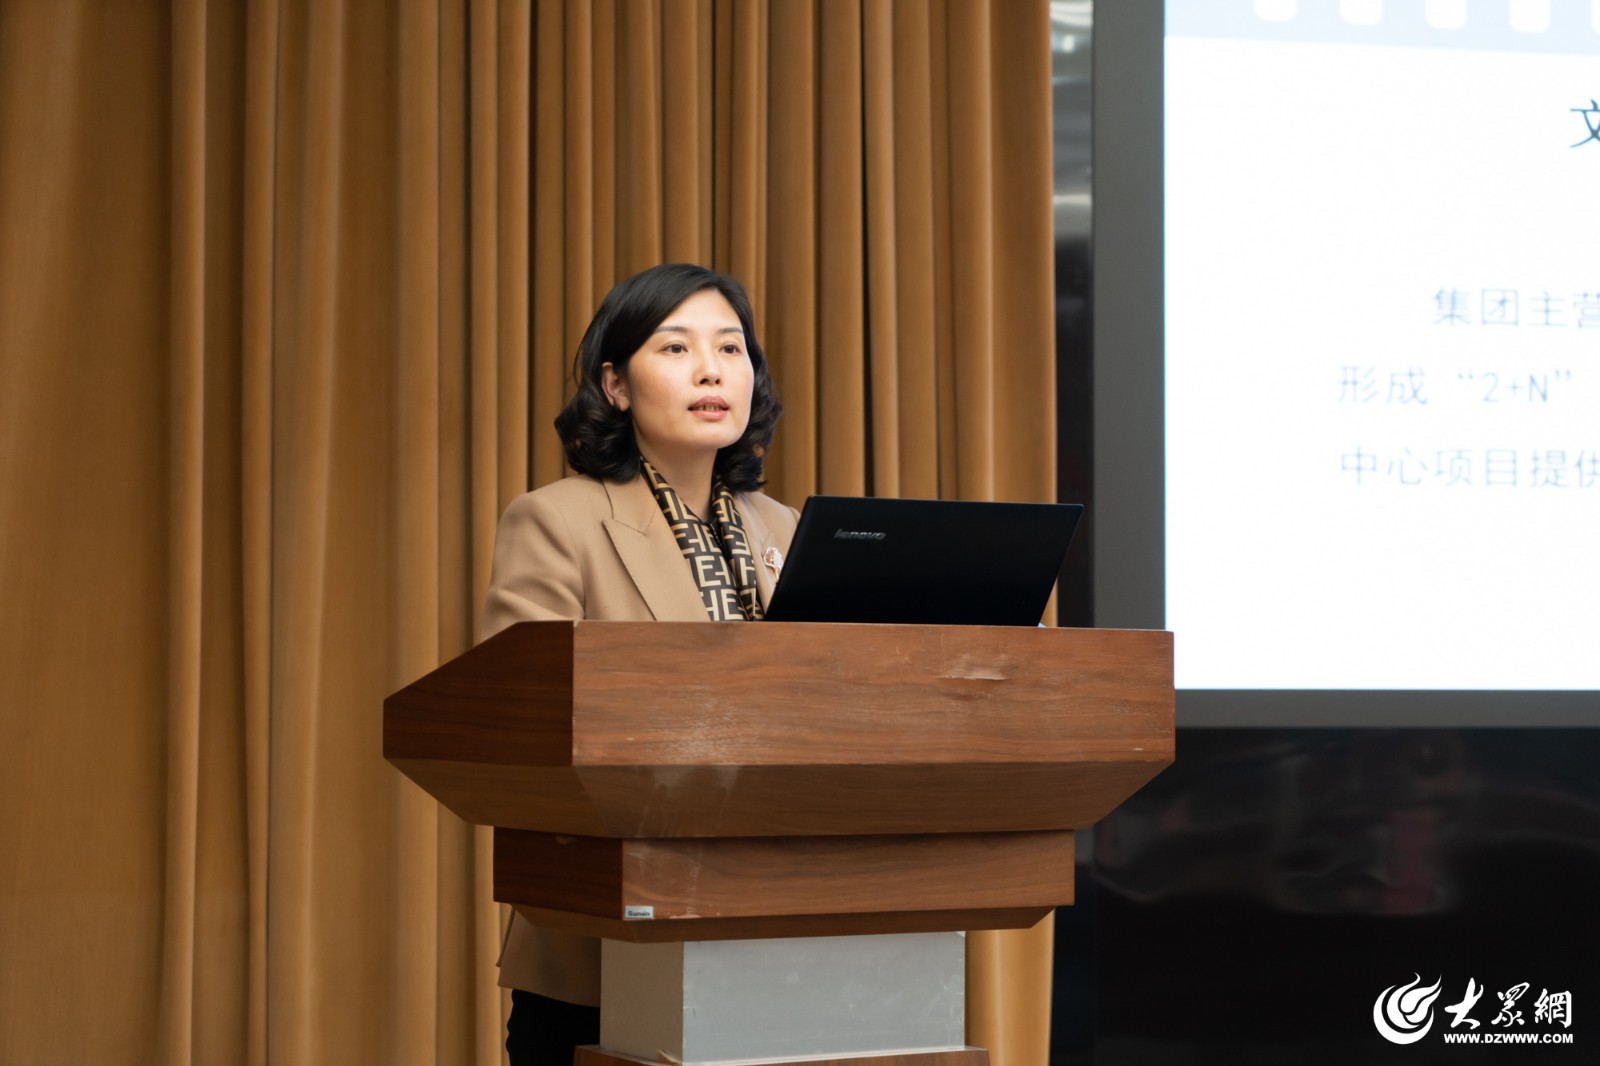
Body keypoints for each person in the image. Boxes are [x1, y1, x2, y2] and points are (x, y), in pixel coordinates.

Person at [479, 263, 798, 1066]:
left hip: (777, 937)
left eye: (731, 348)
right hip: (604, 957)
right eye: (676, 347)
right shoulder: (557, 521)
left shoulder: (788, 531)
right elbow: (525, 723)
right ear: (616, 385)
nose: (710, 370)